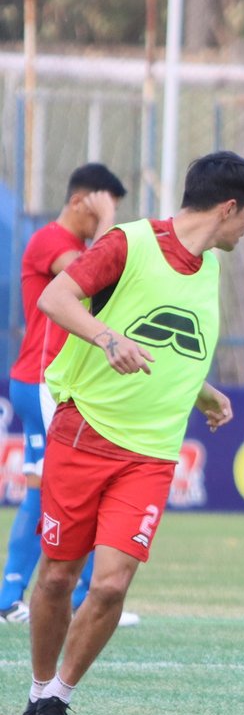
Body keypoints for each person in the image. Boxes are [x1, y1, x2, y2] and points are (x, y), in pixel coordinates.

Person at [13, 152, 244, 715]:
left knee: (112, 584)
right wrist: (105, 337)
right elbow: (57, 299)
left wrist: (202, 392)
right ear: (227, 208)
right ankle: (38, 690)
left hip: (151, 455)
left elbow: (171, 340)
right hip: (84, 431)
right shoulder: (129, 243)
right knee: (56, 578)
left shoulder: (207, 268)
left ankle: (58, 702)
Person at [0, 164, 125, 626]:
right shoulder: (53, 242)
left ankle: (10, 595)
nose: (102, 224)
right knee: (89, 484)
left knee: (39, 488)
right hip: (47, 382)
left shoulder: (66, 244)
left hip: (35, 379)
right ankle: (86, 599)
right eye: (99, 211)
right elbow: (101, 281)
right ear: (80, 202)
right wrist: (110, 217)